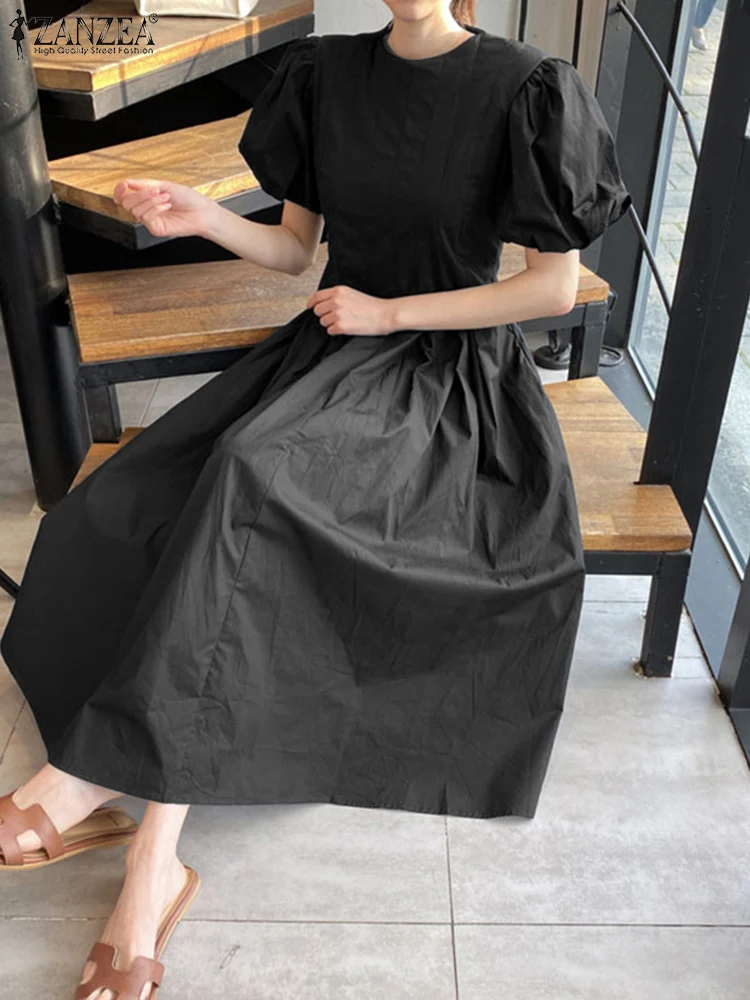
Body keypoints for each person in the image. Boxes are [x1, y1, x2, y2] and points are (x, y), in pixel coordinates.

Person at [0, 0, 632, 995]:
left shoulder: (527, 89)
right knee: (125, 505)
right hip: (332, 350)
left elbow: (552, 289)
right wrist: (202, 216)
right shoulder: (324, 73)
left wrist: (391, 313)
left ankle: (141, 847)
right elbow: (299, 253)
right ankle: (114, 804)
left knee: (249, 484)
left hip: (446, 385)